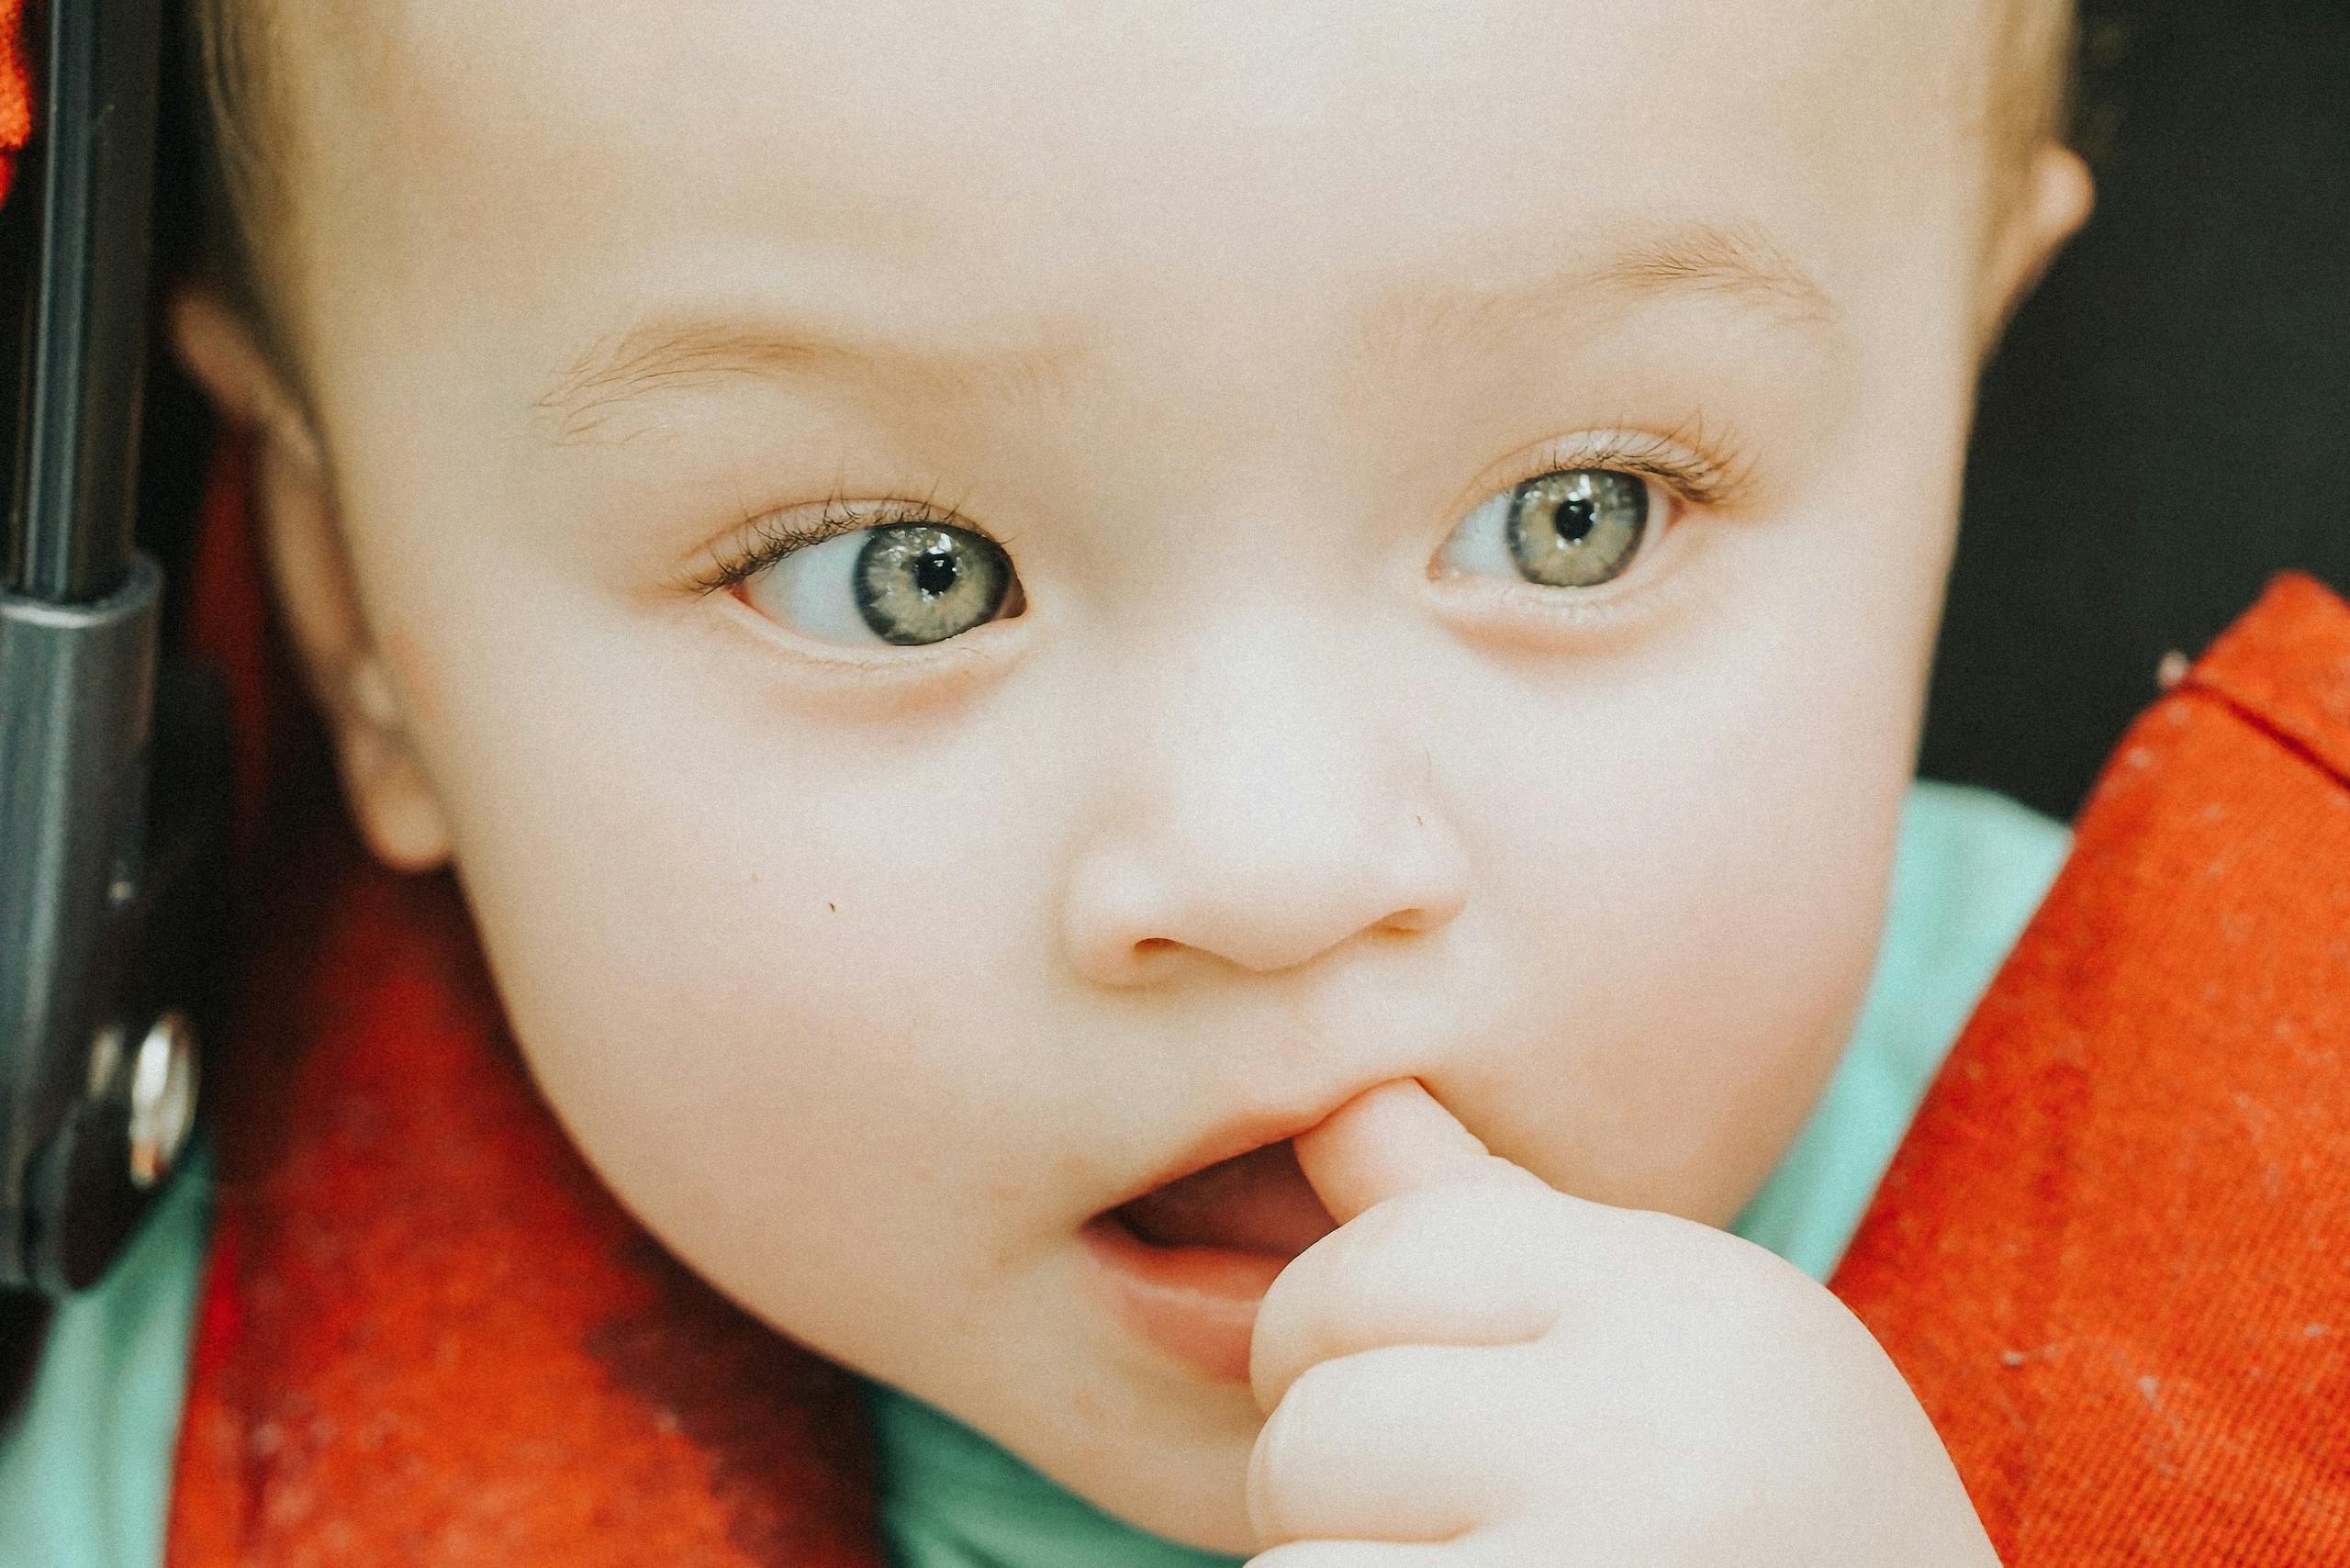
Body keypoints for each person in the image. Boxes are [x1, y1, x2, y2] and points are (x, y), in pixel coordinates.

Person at [0, 0, 2099, 1561]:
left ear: (1954, 419)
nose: (1267, 865)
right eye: (903, 580)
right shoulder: (201, 1447)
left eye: (1579, 516)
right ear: (358, 604)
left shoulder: (2264, 1168)